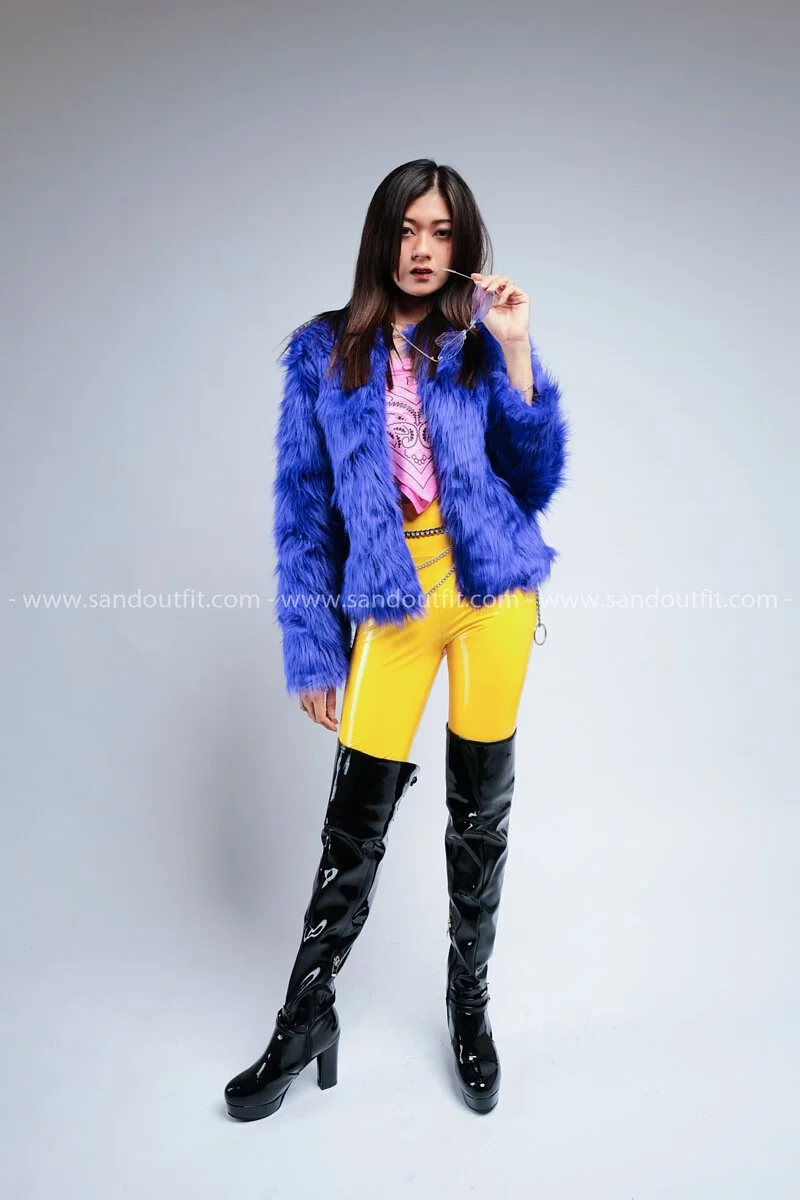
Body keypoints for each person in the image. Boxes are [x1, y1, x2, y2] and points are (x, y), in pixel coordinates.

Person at [224, 158, 570, 1120]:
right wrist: (313, 647)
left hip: (493, 592)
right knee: (354, 821)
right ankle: (305, 1015)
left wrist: (517, 349)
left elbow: (535, 480)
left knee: (480, 815)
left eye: (441, 232)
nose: (423, 249)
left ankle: (469, 1004)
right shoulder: (323, 352)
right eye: (408, 229)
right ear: (383, 237)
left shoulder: (477, 342)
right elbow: (303, 511)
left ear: (463, 244)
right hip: (394, 595)